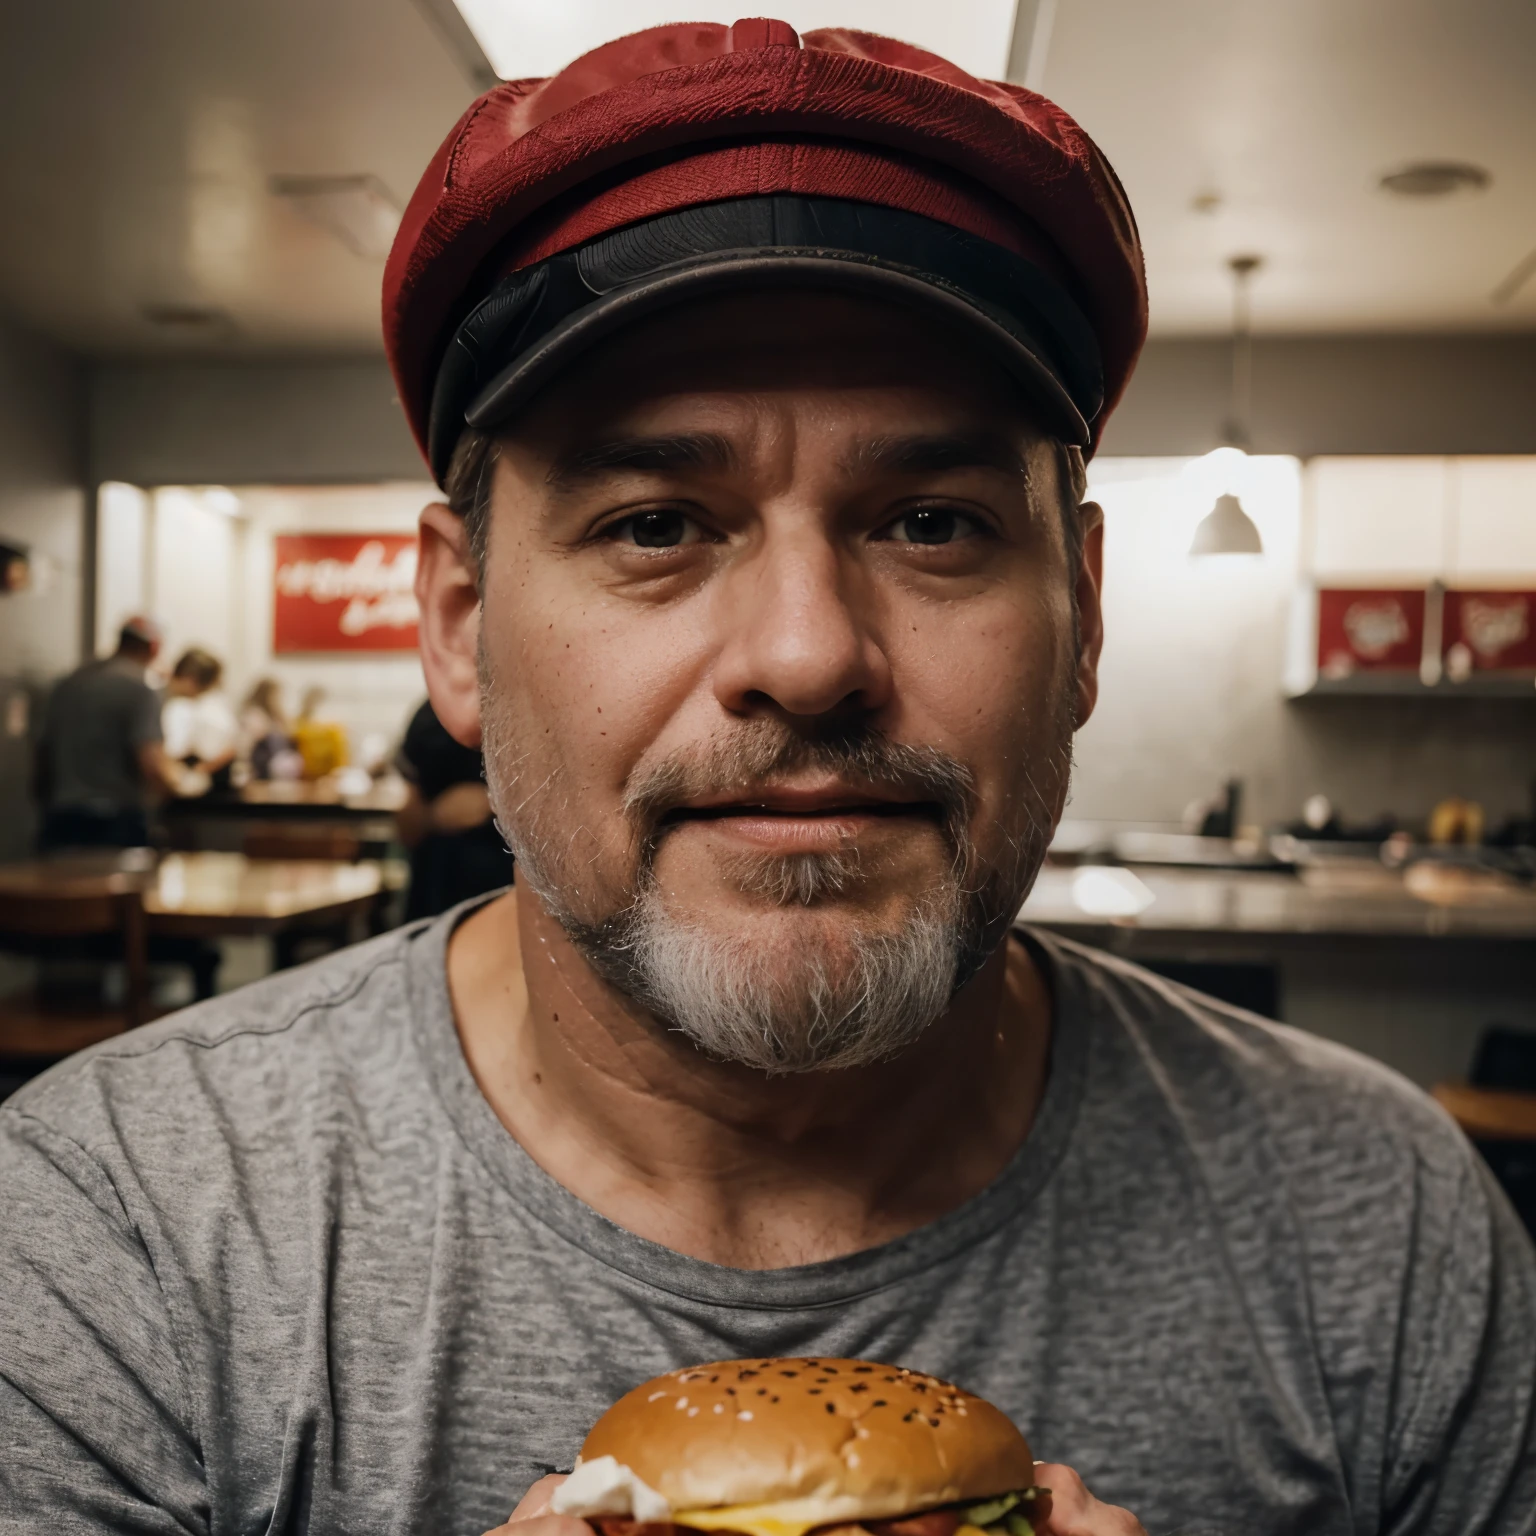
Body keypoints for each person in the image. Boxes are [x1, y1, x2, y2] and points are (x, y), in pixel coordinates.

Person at [1, 22, 1531, 1536]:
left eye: (932, 523)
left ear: (1083, 618)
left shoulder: (1382, 1225)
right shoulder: (113, 1235)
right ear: (460, 630)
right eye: (656, 523)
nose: (807, 657)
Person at [32, 615, 183, 848]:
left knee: (61, 882)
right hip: (116, 820)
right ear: (154, 648)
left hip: (61, 814)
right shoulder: (140, 689)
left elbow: (43, 751)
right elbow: (149, 759)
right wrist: (171, 791)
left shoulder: (68, 683)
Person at [396, 696, 515, 920]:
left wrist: (495, 802)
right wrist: (432, 817)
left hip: (507, 898)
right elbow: (406, 827)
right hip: (434, 897)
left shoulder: (529, 709)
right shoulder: (431, 715)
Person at [161, 647, 240, 792]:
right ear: (191, 680)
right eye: (203, 689)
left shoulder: (183, 704)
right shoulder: (168, 703)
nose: (199, 696)